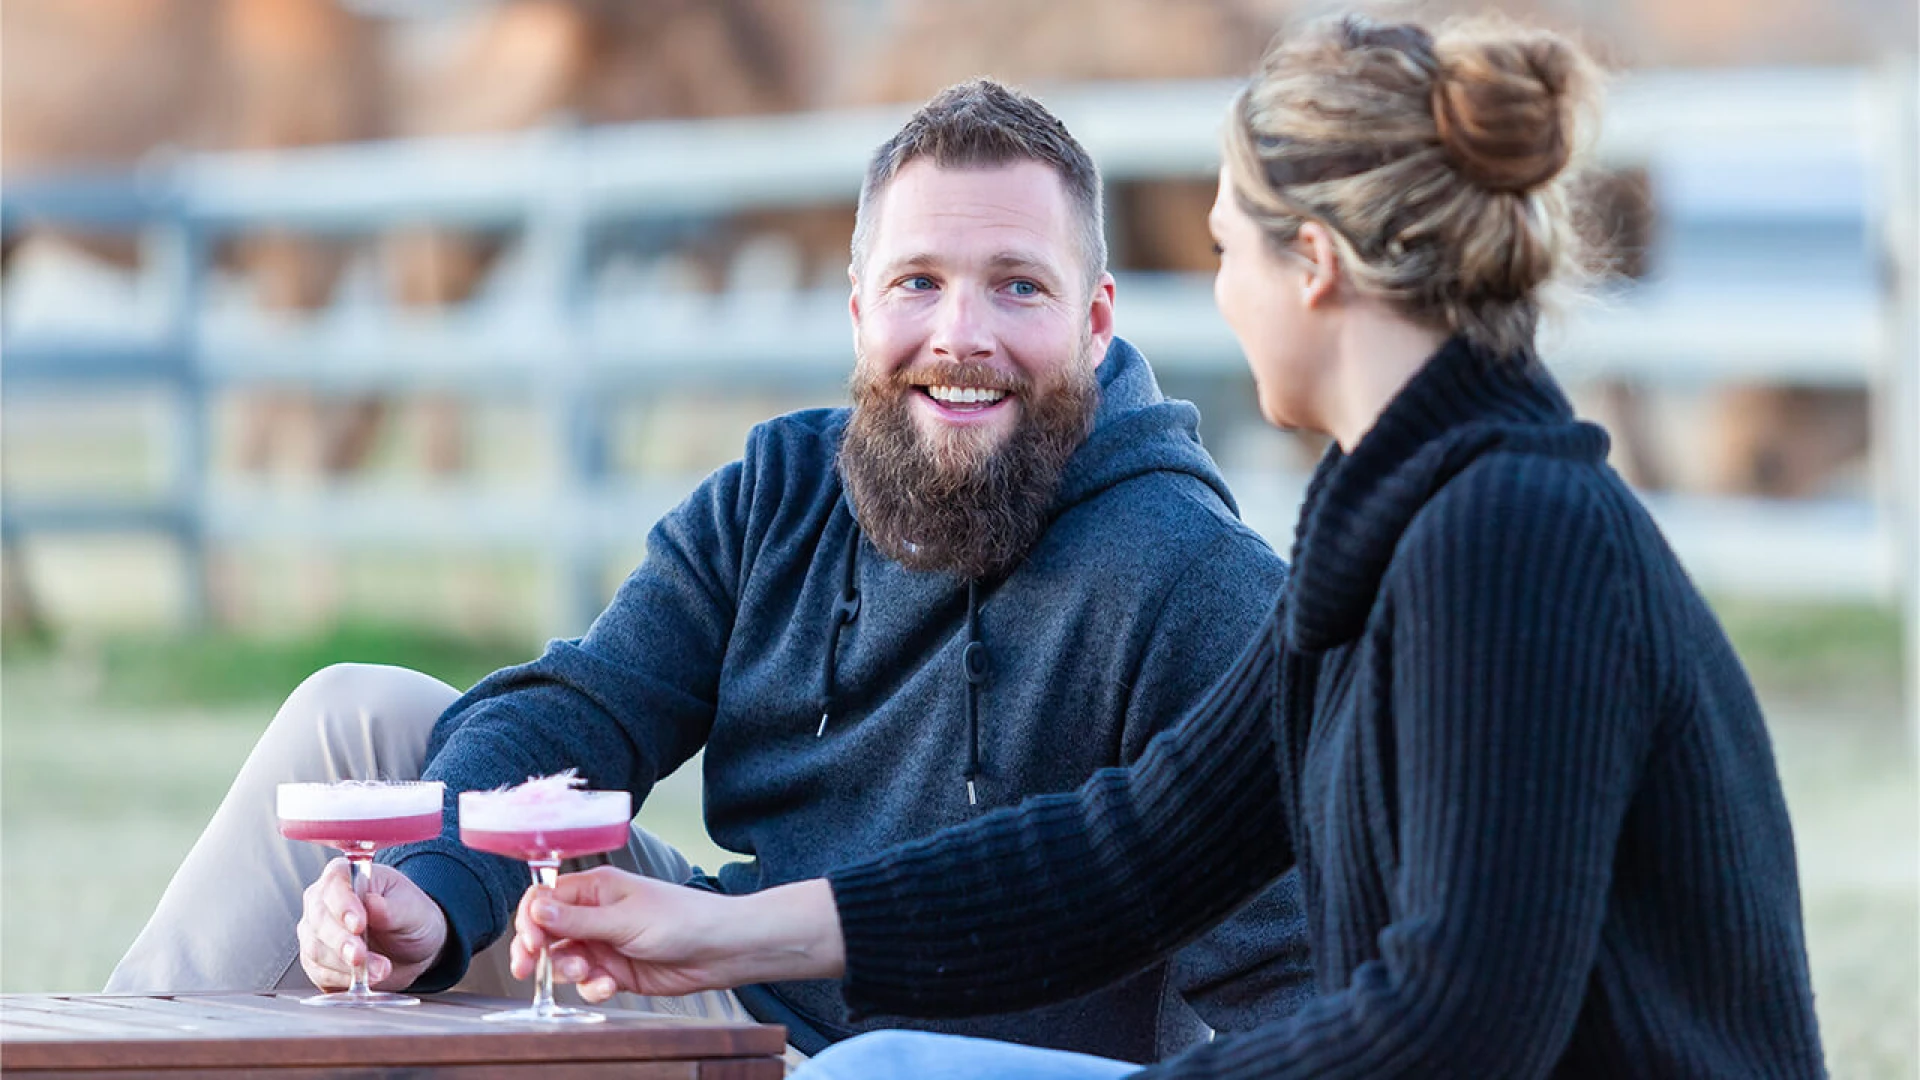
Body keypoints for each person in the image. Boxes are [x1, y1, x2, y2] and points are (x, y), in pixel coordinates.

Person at [506, 14, 1828, 1077]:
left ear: (1311, 265)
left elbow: (1458, 1025)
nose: (1220, 297)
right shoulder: (1393, 527)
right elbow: (1123, 854)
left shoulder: (1512, 541)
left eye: (1223, 252)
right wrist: (719, 933)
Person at [107, 79, 1316, 1063]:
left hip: (909, 1063)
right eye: (918, 283)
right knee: (354, 717)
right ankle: (108, 1060)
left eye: (1018, 286)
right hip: (722, 992)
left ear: (1097, 322)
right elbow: (584, 711)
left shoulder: (1194, 577)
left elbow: (1280, 979)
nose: (961, 334)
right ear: (856, 310)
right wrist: (429, 895)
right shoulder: (781, 489)